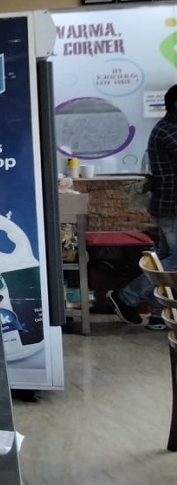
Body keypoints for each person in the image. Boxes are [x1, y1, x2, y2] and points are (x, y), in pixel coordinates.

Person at [107, 84, 177, 330]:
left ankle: (159, 314)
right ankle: (126, 297)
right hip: (172, 206)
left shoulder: (167, 128)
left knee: (164, 259)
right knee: (172, 261)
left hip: (168, 205)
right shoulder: (169, 131)